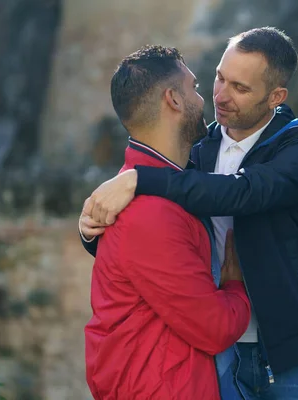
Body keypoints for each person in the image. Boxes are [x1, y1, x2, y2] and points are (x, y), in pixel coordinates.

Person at [80, 27, 298, 399]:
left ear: (275, 97)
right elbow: (150, 242)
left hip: (294, 350)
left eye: (240, 87)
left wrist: (142, 178)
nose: (220, 95)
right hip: (218, 351)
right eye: (219, 77)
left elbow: (244, 193)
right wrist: (91, 230)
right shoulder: (197, 145)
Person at [83, 45, 251, 400]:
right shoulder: (150, 211)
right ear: (173, 99)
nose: (206, 98)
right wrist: (236, 284)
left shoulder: (150, 187)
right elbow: (215, 328)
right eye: (195, 88)